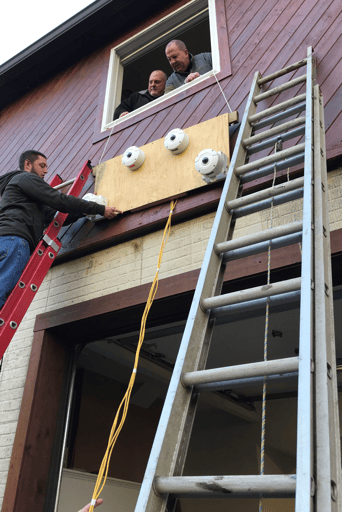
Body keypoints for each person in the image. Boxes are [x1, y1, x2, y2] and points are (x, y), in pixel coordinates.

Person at [0, 150, 122, 309]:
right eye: (42, 165)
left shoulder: (21, 192)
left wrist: (83, 211)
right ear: (27, 164)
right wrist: (99, 208)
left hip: (7, 240)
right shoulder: (25, 177)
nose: (45, 170)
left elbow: (52, 216)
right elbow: (59, 200)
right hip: (15, 240)